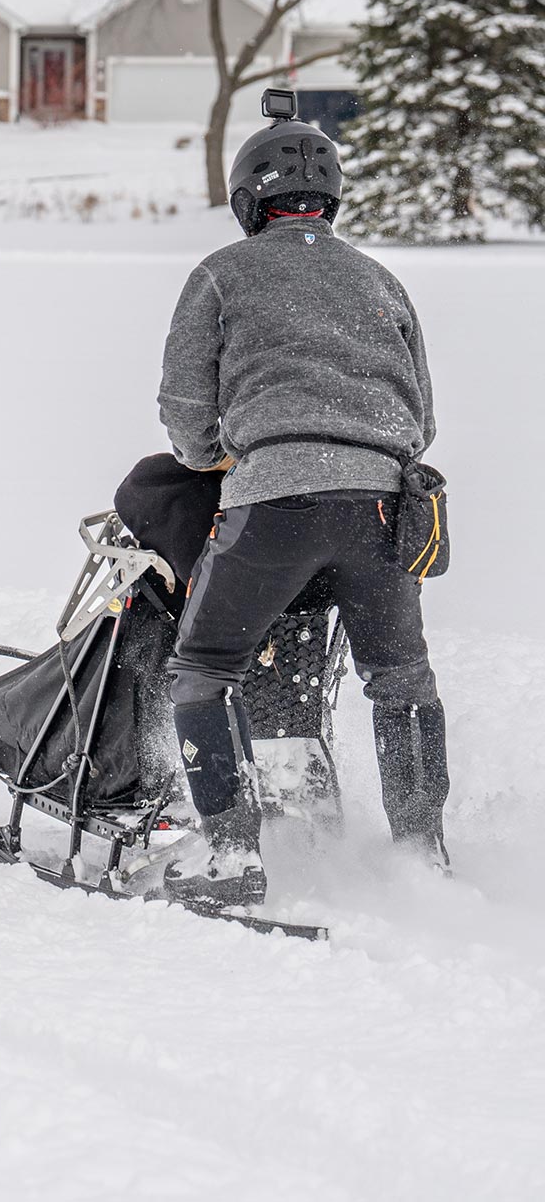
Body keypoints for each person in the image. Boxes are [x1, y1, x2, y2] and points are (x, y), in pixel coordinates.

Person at [156, 96, 447, 908]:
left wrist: (213, 458)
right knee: (401, 681)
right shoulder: (380, 278)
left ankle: (232, 857)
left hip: (273, 501)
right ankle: (422, 852)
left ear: (250, 197)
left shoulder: (220, 272)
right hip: (384, 505)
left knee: (204, 669)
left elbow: (185, 409)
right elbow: (420, 418)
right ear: (332, 197)